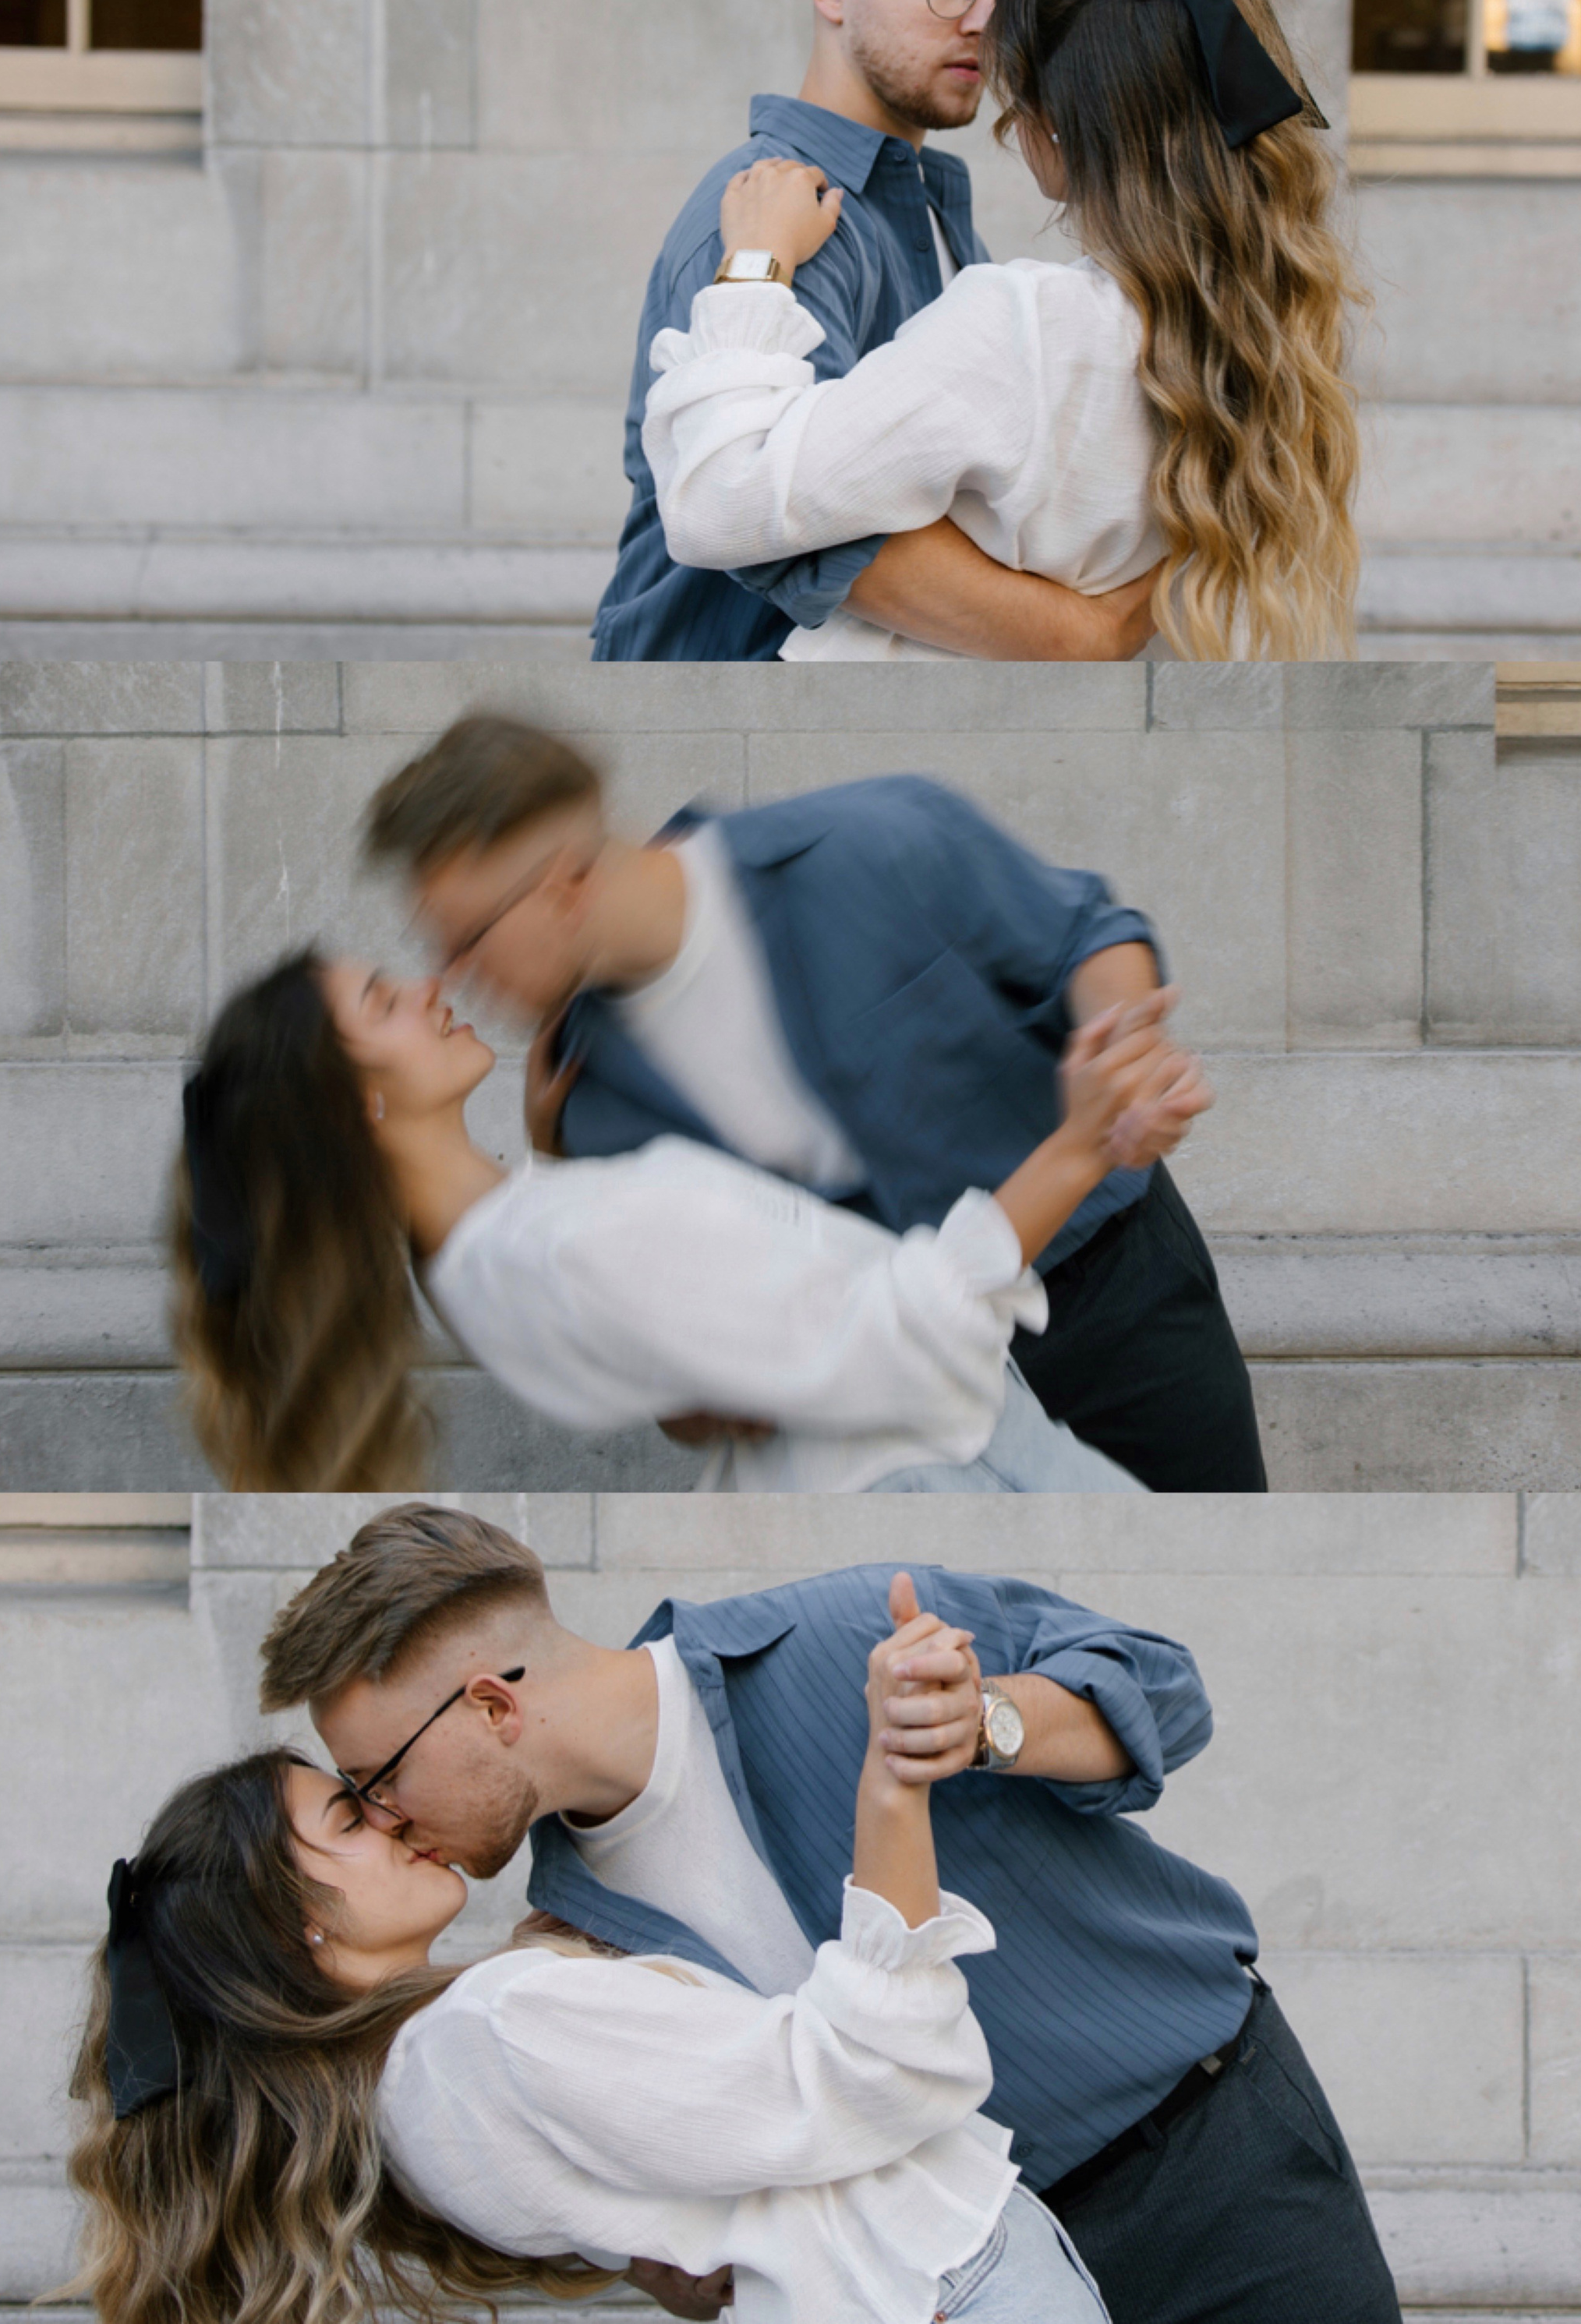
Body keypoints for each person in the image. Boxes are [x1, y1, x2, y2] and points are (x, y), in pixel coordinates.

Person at [255, 1503, 1407, 2324]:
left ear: (491, 1707)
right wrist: (666, 2251)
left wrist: (986, 1722)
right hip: (973, 2276)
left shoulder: (833, 1632)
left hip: (1212, 2157)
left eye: (376, 1778)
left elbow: (1168, 1690)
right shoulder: (568, 1933)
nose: (384, 1817)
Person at [61, 1589, 1114, 2324]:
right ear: (299, 1922)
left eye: (372, 1787)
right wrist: (893, 1784)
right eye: (349, 1811)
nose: (389, 1814)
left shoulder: (416, 2091)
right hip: (947, 2285)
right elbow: (885, 2072)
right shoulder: (490, 2032)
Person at [362, 715, 1269, 1492]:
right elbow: (686, 1394)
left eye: (467, 939)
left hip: (1118, 1303)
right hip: (914, 1435)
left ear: (565, 882)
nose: (449, 976)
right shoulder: (583, 1102)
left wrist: (1124, 1058)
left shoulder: (866, 842)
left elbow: (1085, 932)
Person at [168, 940, 1203, 1492]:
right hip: (947, 1465)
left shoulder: (473, 1266)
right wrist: (1080, 1143)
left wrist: (555, 1154)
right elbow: (901, 1334)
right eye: (383, 1004)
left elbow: (676, 1384)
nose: (426, 986)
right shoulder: (559, 1242)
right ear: (355, 1107)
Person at [640, 0, 1363, 662]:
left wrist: (755, 265)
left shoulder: (1029, 325)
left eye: (1016, 97)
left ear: (1058, 121)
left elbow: (720, 501)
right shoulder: (1269, 345)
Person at [594, 0, 1165, 664]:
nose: (985, 19)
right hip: (720, 712)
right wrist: (1090, 630)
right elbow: (780, 526)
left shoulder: (934, 211)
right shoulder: (771, 215)